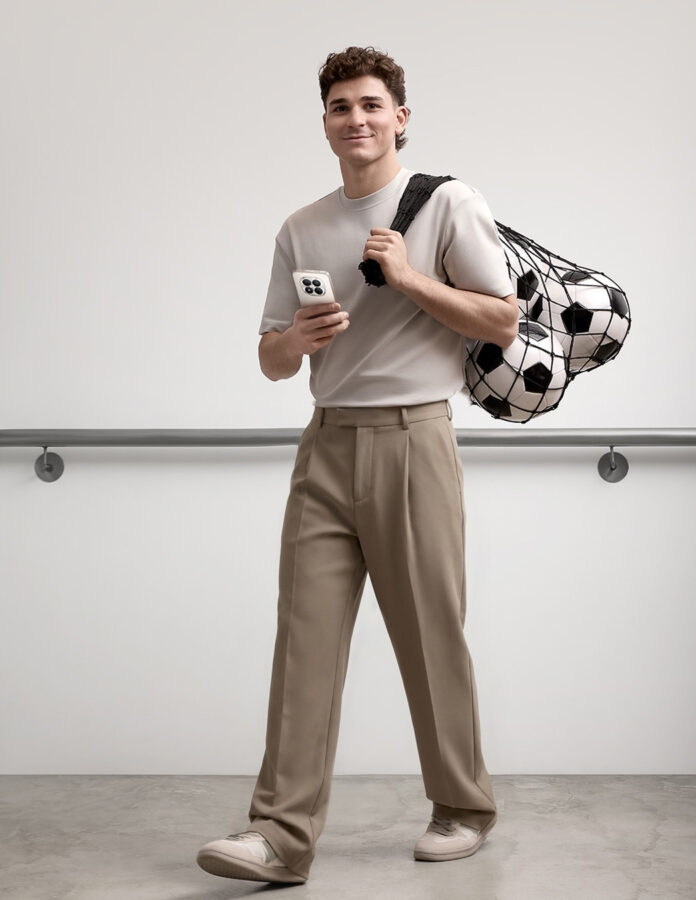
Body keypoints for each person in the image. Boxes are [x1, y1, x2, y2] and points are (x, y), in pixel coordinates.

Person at [197, 45, 518, 885]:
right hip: (326, 442)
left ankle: (463, 806)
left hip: (415, 438)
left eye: (373, 104)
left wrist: (408, 277)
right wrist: (292, 343)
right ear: (327, 123)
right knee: (302, 641)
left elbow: (501, 319)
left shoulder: (447, 203)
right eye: (341, 107)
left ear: (400, 117)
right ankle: (279, 836)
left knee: (428, 634)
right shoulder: (301, 226)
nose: (358, 119)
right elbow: (269, 358)